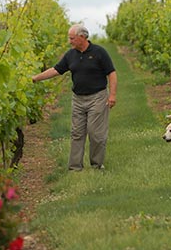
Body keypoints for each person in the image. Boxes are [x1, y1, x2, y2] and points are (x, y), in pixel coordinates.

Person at [32, 24, 117, 171]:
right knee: (77, 133)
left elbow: (112, 73)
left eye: (72, 38)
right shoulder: (70, 55)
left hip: (97, 97)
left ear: (82, 37)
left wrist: (112, 95)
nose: (69, 41)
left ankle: (97, 165)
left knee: (96, 133)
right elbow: (56, 70)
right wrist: (36, 78)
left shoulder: (99, 52)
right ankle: (75, 167)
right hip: (78, 99)